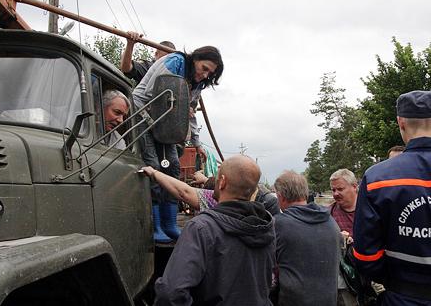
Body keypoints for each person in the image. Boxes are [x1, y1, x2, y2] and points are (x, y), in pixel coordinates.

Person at [353, 90, 431, 305]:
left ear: (401, 123)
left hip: (401, 296)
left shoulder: (377, 178)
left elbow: (366, 256)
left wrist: (395, 281)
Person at [147, 155, 275, 306]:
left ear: (222, 182)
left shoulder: (201, 228)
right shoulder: (268, 226)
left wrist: (153, 173)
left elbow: (171, 293)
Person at [134, 45, 223, 243]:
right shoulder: (175, 62)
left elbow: (191, 113)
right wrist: (181, 106)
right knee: (154, 166)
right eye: (204, 68)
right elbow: (152, 93)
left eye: (211, 73)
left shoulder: (198, 84)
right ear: (195, 59)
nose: (206, 75)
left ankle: (170, 223)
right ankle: (155, 225)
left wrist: (197, 143)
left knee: (173, 166)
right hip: (143, 113)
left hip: (166, 123)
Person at [273, 170, 340, 306]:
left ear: (280, 197)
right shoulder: (330, 221)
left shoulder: (278, 225)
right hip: (329, 300)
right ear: (305, 194)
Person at [329, 169, 359, 306]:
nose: (336, 194)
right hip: (344, 282)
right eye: (333, 190)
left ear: (354, 186)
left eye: (340, 189)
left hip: (371, 277)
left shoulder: (370, 211)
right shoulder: (327, 214)